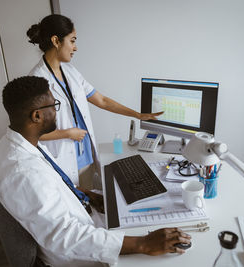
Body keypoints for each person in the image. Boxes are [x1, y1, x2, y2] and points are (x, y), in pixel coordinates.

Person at [0, 76, 191, 267]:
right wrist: (142, 244)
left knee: (144, 206)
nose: (57, 111)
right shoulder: (21, 171)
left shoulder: (13, 145)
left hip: (82, 215)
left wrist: (84, 193)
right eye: (54, 105)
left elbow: (46, 186)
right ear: (37, 115)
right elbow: (62, 236)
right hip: (76, 252)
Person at [27, 14, 163, 189]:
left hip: (87, 158)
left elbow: (102, 100)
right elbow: (30, 133)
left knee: (94, 205)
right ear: (56, 41)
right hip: (64, 162)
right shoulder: (36, 80)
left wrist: (137, 115)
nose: (75, 48)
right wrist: (67, 133)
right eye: (72, 41)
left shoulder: (70, 71)